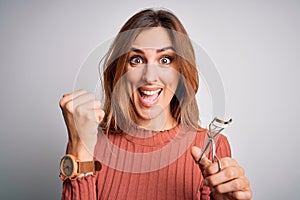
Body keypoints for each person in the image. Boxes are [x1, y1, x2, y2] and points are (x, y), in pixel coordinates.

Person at [59, 8, 252, 200]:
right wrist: (81, 149)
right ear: (119, 72)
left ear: (181, 73)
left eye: (165, 60)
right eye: (136, 60)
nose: (150, 77)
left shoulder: (211, 146)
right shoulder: (88, 142)